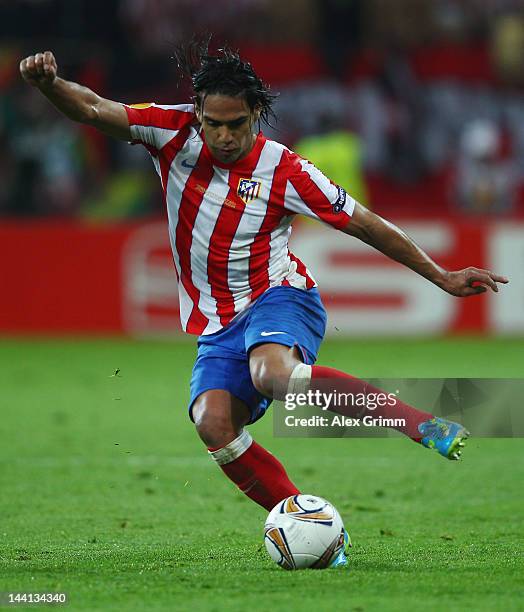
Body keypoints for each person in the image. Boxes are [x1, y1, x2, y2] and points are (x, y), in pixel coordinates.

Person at [20, 43, 508, 568]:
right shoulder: (170, 130)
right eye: (214, 123)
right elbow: (93, 108)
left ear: (256, 114)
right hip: (218, 321)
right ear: (199, 113)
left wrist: (440, 275)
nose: (224, 136)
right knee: (212, 422)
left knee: (273, 372)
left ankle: (420, 423)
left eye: (236, 124)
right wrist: (51, 85)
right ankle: (311, 528)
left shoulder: (285, 170)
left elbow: (364, 222)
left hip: (280, 296)